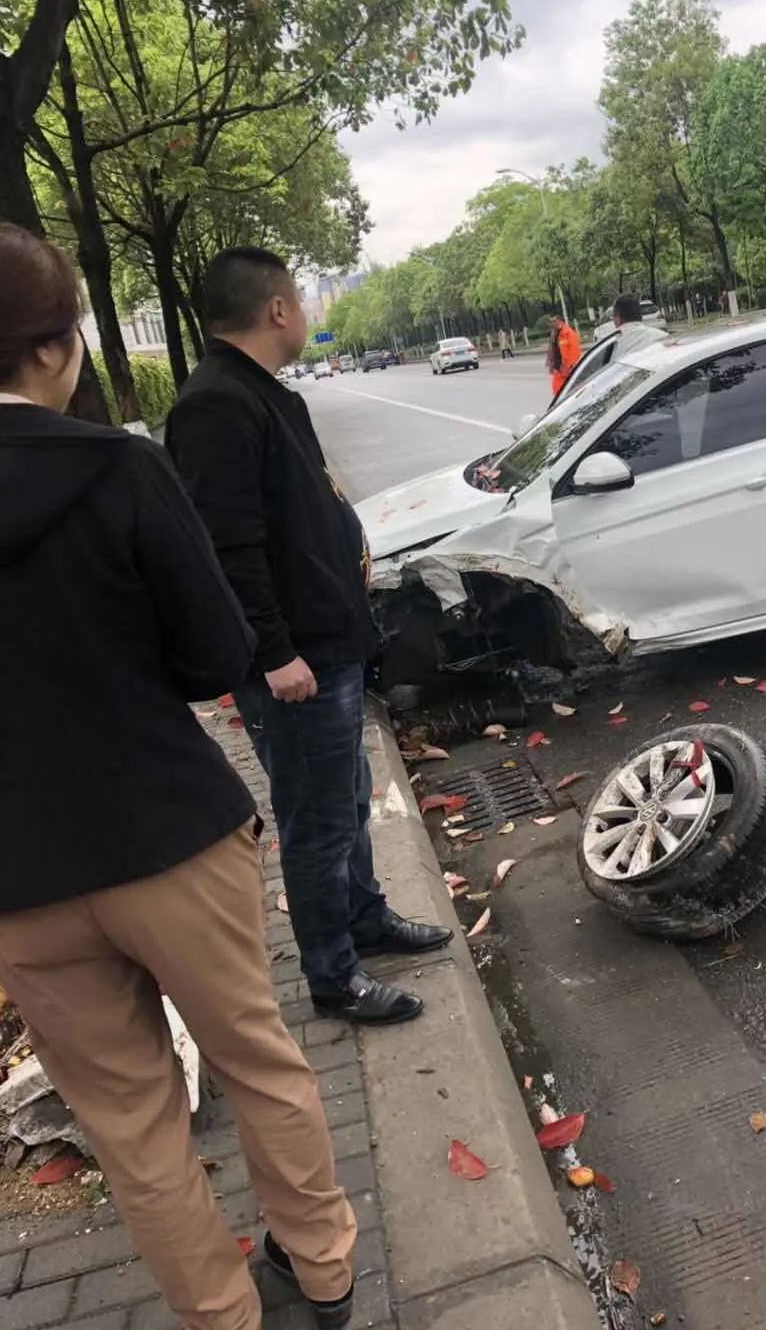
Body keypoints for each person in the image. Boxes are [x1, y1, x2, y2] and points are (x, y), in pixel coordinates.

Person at [0, 224, 356, 1330]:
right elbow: (211, 655)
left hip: (18, 877)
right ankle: (325, 1274)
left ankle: (221, 1316)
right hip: (172, 832)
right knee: (259, 1059)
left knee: (133, 1126)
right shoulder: (122, 468)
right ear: (59, 350)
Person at [166, 247, 452, 1030]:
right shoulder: (216, 406)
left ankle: (365, 919)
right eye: (298, 296)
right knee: (317, 821)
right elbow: (229, 548)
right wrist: (273, 652)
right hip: (296, 664)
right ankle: (333, 975)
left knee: (348, 800)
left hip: (328, 645)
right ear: (280, 309)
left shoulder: (261, 395)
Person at [611, 292, 668, 359]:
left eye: (613, 316)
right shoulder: (664, 337)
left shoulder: (611, 347)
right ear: (640, 315)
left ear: (618, 318)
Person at [547, 315, 582, 398]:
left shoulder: (568, 333)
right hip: (559, 370)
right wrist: (551, 363)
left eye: (554, 321)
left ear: (560, 321)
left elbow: (575, 351)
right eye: (551, 322)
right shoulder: (555, 333)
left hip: (567, 370)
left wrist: (570, 366)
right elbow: (553, 350)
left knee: (568, 393)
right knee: (558, 391)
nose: (552, 323)